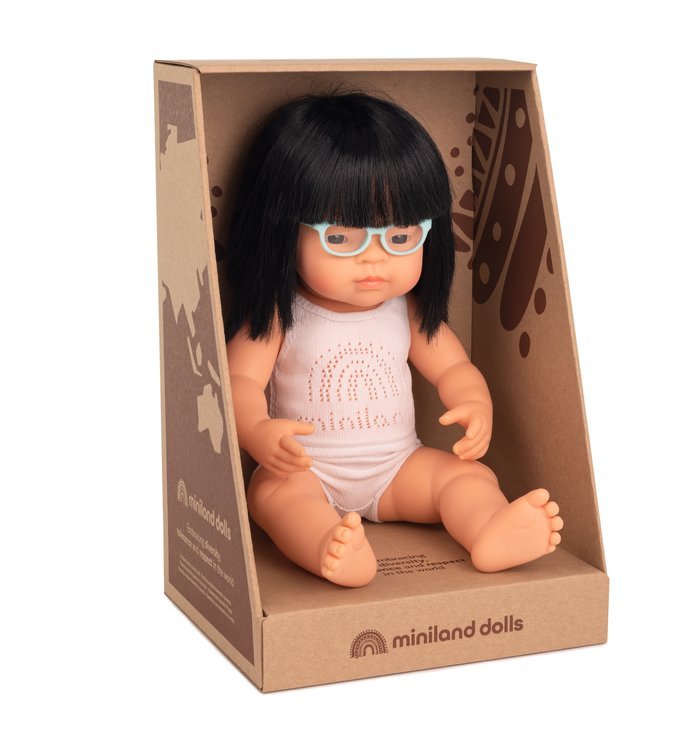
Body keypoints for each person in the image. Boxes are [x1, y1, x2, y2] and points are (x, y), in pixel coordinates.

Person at [225, 89, 562, 587]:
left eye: (400, 237)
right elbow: (238, 381)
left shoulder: (406, 311)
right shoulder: (279, 315)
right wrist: (256, 430)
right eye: (341, 238)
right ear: (283, 232)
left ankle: (490, 529)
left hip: (398, 467)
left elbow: (454, 367)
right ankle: (329, 547)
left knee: (467, 478)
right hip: (306, 470)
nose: (374, 257)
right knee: (274, 497)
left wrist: (474, 403)